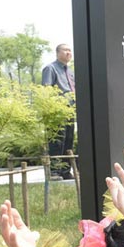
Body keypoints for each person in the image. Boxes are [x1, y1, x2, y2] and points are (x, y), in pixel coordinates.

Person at [41, 44, 76, 180]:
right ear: (57, 53)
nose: (68, 53)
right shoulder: (50, 69)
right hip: (56, 112)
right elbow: (47, 90)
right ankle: (54, 172)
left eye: (70, 50)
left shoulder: (71, 72)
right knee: (57, 142)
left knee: (68, 140)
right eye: (65, 50)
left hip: (70, 111)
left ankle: (65, 171)